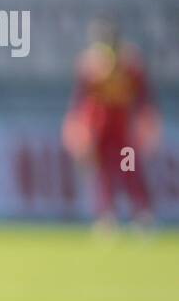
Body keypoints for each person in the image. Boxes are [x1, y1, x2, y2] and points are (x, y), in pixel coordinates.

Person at [62, 18, 161, 229]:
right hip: (99, 128)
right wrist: (78, 130)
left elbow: (144, 98)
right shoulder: (90, 65)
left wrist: (148, 124)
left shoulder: (131, 64)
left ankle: (141, 211)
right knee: (103, 172)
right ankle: (107, 215)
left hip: (122, 128)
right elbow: (80, 101)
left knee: (129, 169)